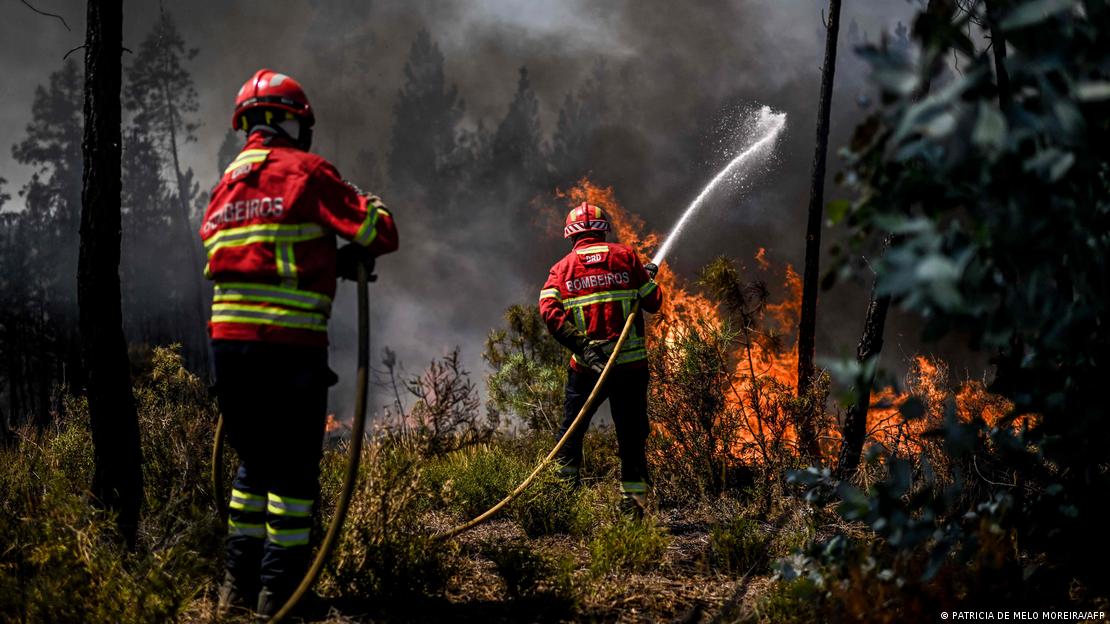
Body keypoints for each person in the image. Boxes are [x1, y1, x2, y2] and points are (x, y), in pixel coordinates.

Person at [201, 68, 398, 617]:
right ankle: (282, 594)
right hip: (286, 351)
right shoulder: (306, 172)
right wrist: (368, 204)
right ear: (291, 121)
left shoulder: (225, 186)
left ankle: (235, 587)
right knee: (292, 474)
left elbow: (262, 259)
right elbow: (379, 233)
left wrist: (325, 262)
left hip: (229, 351)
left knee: (253, 467)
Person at [537, 202, 663, 516]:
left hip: (586, 369)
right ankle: (632, 507)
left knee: (571, 433)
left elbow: (549, 314)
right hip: (630, 369)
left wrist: (582, 345)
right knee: (631, 437)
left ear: (570, 235)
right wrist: (643, 278)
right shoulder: (626, 257)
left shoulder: (561, 269)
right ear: (603, 230)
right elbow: (653, 302)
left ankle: (563, 502)